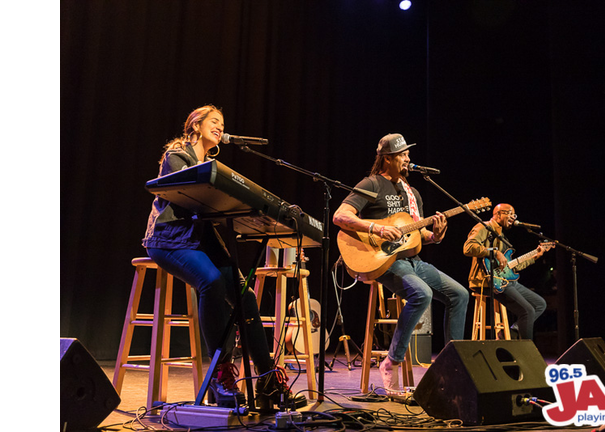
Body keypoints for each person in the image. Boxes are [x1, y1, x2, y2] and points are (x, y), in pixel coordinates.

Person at [142, 105, 304, 409]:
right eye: (214, 121)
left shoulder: (211, 164)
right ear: (195, 125)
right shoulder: (177, 156)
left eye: (222, 124)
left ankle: (267, 380)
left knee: (246, 296)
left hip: (202, 242)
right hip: (169, 240)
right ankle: (220, 375)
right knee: (212, 281)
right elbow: (191, 197)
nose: (220, 127)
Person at [333, 133, 469, 394]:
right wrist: (376, 228)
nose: (408, 159)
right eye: (402, 154)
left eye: (408, 154)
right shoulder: (371, 183)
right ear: (387, 158)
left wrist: (435, 236)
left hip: (413, 261)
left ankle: (451, 366)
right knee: (422, 293)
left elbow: (418, 235)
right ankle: (391, 362)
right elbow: (341, 216)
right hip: (384, 261)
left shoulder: (412, 193)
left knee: (460, 294)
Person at [463, 203, 548, 340]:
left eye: (514, 215)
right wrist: (494, 252)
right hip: (487, 281)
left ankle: (513, 331)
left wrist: (535, 257)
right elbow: (468, 248)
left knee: (540, 304)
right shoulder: (484, 227)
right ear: (498, 214)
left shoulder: (502, 236)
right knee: (527, 311)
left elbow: (511, 267)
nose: (513, 217)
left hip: (505, 279)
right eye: (509, 213)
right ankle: (527, 349)